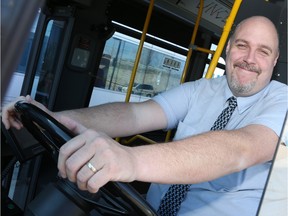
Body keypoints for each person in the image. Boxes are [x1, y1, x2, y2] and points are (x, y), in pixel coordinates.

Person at [2, 16, 287, 215]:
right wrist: (61, 118)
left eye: (263, 51)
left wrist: (129, 160)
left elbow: (241, 148)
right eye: (242, 45)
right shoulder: (203, 89)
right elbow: (137, 114)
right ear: (228, 49)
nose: (250, 58)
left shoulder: (282, 101)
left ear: (274, 62)